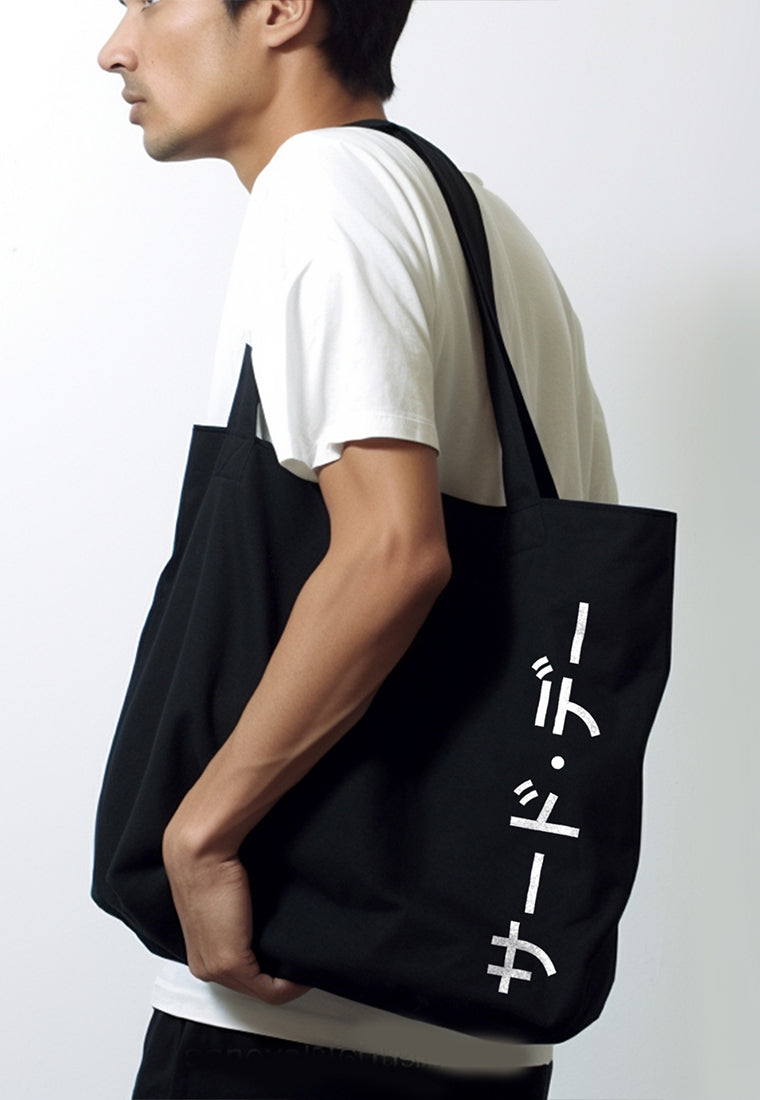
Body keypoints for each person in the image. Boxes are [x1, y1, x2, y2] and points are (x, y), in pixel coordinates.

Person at [97, 2, 617, 1098]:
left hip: (299, 1017)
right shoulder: (478, 219)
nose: (116, 47)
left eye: (149, 0)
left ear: (282, 9)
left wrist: (201, 835)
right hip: (476, 1020)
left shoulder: (323, 186)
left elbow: (393, 550)